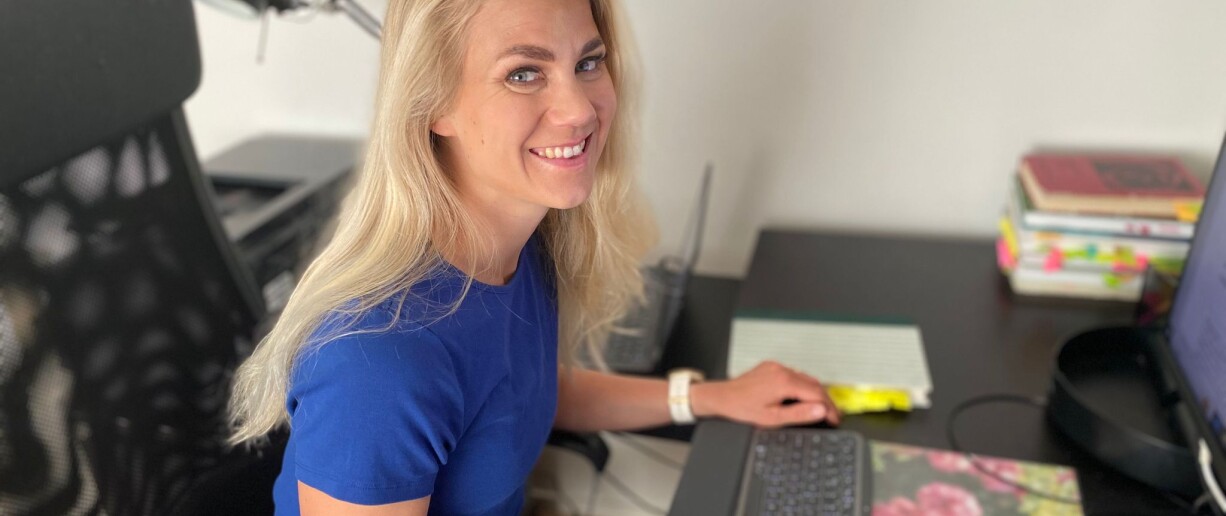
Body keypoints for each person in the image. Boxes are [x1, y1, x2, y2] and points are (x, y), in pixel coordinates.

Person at [226, 0, 839, 514]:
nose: (579, 109)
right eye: (524, 73)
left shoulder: (525, 246)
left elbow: (523, 394)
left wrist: (705, 399)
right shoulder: (378, 362)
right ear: (433, 104)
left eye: (588, 62)